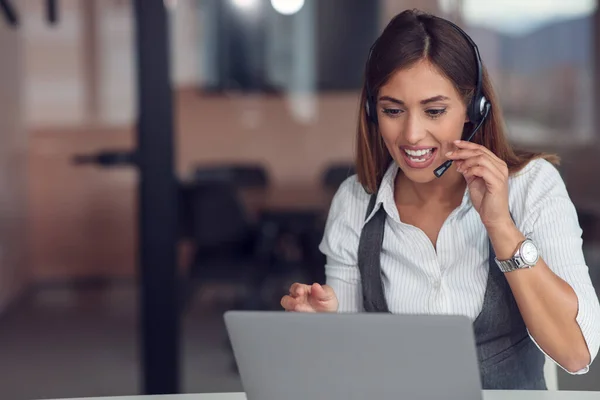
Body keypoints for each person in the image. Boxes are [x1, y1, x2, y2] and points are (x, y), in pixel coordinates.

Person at [280, 9, 600, 390]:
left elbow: (576, 352)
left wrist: (501, 226)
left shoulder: (534, 187)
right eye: (393, 110)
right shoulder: (354, 203)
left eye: (434, 111)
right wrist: (325, 328)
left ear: (473, 110)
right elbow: (351, 375)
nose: (413, 134)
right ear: (372, 112)